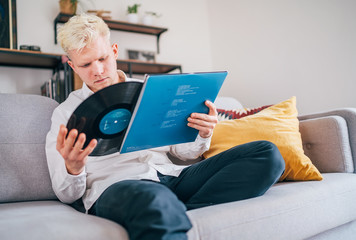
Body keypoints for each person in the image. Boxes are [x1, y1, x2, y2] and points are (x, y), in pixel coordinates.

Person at [46, 14, 285, 240]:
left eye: (102, 58)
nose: (97, 71)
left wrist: (203, 132)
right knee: (152, 198)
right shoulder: (65, 114)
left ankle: (175, 210)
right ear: (73, 67)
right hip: (118, 187)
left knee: (267, 154)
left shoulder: (151, 90)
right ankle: (166, 209)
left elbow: (184, 153)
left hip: (172, 177)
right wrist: (73, 168)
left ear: (114, 51)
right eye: (86, 64)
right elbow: (66, 194)